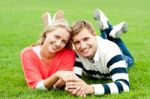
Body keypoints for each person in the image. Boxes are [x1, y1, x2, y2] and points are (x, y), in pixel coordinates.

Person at [65, 9, 134, 96]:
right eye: (77, 42)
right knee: (95, 46)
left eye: (86, 39)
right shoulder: (77, 52)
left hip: (114, 54)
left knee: (130, 60)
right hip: (101, 48)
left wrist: (91, 88)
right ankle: (109, 31)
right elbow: (75, 78)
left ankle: (110, 32)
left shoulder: (111, 50)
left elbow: (124, 85)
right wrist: (73, 87)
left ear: (95, 36)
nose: (82, 46)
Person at [20, 11, 79, 90]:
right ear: (47, 32)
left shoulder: (69, 54)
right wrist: (57, 75)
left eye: (64, 41)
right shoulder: (27, 53)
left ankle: (54, 26)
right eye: (57, 37)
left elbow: (60, 84)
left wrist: (53, 84)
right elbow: (36, 86)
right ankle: (52, 25)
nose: (58, 44)